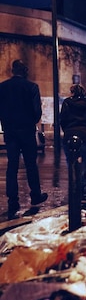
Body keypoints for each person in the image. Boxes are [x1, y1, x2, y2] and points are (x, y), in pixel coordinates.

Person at [0, 59, 48, 218]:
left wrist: (6, 123)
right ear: (25, 71)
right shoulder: (32, 87)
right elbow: (36, 112)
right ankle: (35, 194)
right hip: (26, 131)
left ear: (13, 71)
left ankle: (12, 200)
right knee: (30, 164)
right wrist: (29, 122)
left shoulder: (3, 87)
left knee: (12, 166)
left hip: (10, 131)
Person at [59, 84, 86, 197]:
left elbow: (63, 119)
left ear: (72, 92)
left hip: (70, 135)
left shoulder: (67, 103)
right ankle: (82, 189)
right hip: (84, 135)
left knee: (71, 162)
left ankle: (73, 188)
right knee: (83, 162)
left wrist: (67, 131)